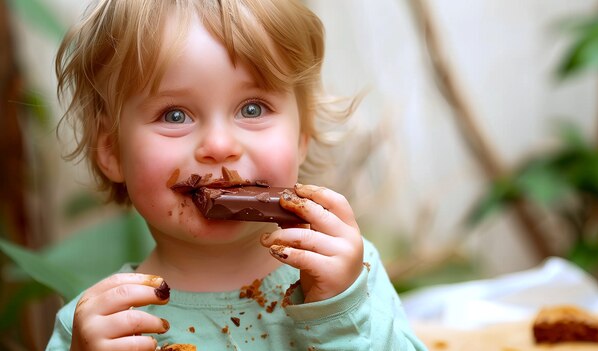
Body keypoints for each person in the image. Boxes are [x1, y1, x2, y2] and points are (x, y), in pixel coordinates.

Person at [47, 0, 427, 350]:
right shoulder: (106, 326)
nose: (219, 144)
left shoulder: (349, 277)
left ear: (301, 136)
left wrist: (341, 313)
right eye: (174, 115)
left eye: (252, 109)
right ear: (111, 150)